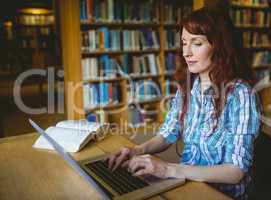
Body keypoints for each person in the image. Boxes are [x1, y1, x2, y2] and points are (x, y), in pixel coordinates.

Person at [107, 7, 261, 200]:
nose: (186, 52)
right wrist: (137, 150)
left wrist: (169, 169)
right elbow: (168, 133)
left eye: (196, 43)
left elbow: (236, 170)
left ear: (220, 47)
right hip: (185, 183)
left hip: (220, 194)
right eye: (184, 43)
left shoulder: (241, 94)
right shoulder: (188, 86)